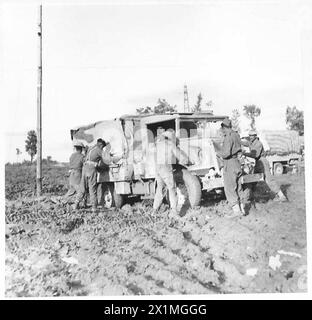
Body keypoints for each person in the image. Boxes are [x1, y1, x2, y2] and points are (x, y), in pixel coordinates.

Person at [242, 130, 287, 202]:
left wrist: (244, 154)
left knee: (268, 179)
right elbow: (246, 143)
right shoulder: (252, 142)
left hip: (262, 162)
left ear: (255, 136)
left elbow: (255, 155)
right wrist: (237, 140)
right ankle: (250, 196)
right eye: (249, 136)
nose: (250, 137)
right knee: (253, 178)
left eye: (251, 136)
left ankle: (281, 196)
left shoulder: (258, 144)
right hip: (258, 162)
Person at [153, 129, 188, 216]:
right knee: (172, 188)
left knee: (160, 189)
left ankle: (154, 210)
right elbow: (181, 157)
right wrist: (186, 160)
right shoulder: (170, 145)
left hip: (157, 169)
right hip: (165, 168)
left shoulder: (158, 145)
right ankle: (174, 211)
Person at [73, 138, 112, 212]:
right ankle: (94, 207)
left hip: (85, 168)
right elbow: (107, 160)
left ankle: (76, 204)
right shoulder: (99, 150)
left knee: (82, 187)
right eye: (102, 147)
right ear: (100, 145)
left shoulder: (91, 148)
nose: (103, 148)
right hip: (91, 169)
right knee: (92, 188)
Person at [216, 118, 245, 218]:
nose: (222, 130)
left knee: (230, 187)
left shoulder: (228, 137)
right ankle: (243, 209)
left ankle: (236, 212)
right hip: (237, 162)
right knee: (238, 187)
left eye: (222, 128)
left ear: (224, 127)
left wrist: (218, 153)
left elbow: (226, 153)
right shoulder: (236, 135)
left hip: (230, 163)